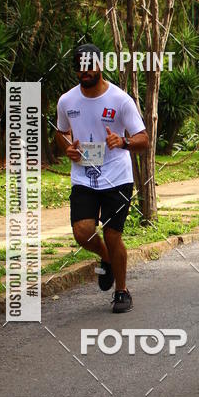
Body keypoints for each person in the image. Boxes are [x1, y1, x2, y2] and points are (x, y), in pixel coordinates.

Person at [56, 43, 149, 313]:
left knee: (112, 234)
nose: (85, 70)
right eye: (79, 66)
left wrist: (123, 141)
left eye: (89, 64)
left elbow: (143, 138)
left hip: (116, 177)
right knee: (82, 232)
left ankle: (122, 291)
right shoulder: (67, 101)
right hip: (83, 176)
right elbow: (61, 132)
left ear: (100, 65)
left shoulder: (120, 100)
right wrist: (68, 147)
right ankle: (106, 257)